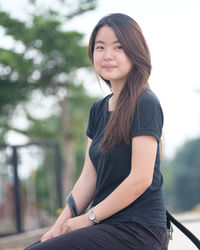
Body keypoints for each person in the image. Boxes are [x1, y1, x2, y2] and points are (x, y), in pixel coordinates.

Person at [24, 13, 167, 250]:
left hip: (138, 228)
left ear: (135, 52)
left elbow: (140, 179)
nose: (107, 55)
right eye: (100, 47)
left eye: (119, 47)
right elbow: (89, 178)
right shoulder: (98, 109)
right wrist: (58, 227)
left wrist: (89, 218)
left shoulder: (145, 102)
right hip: (104, 226)